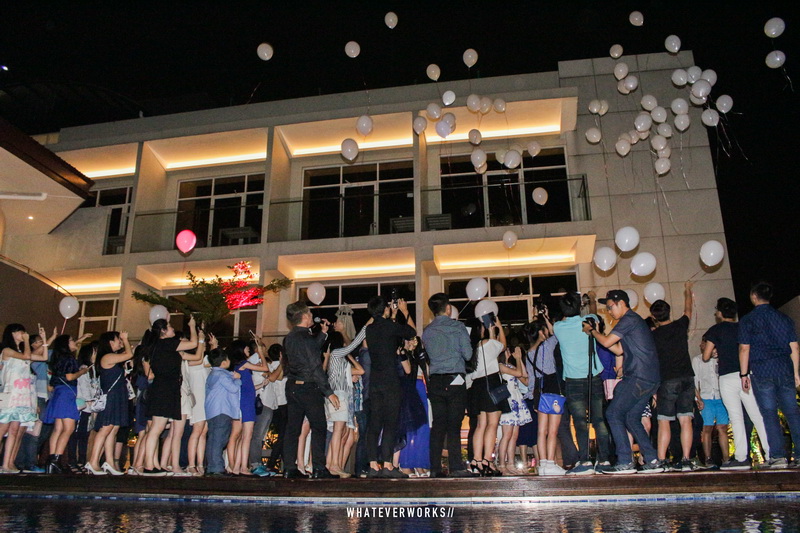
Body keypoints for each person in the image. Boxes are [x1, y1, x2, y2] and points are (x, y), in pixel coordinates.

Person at [585, 290, 664, 474]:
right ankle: (652, 459)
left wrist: (592, 331)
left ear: (621, 303)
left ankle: (625, 461)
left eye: (610, 307)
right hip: (649, 378)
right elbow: (619, 350)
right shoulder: (634, 321)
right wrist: (598, 334)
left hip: (638, 376)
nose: (609, 311)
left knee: (613, 413)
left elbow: (606, 343)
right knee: (631, 418)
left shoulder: (629, 319)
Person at [739, 281, 800, 469]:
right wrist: (796, 372)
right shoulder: (784, 319)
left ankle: (778, 457)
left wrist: (744, 374)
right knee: (792, 413)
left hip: (762, 370)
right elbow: (794, 347)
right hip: (784, 369)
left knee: (769, 414)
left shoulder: (748, 320)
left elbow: (744, 348)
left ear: (753, 296)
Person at [703, 297, 769, 470]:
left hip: (727, 378)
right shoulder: (743, 326)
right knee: (756, 415)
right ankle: (771, 454)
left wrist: (717, 351)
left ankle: (741, 458)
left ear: (719, 313)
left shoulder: (715, 330)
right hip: (746, 374)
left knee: (736, 417)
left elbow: (706, 356)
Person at [553, 292, 611, 474]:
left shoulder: (558, 327)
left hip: (573, 381)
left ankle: (585, 461)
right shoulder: (590, 321)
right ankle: (605, 460)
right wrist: (590, 301)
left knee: (579, 423)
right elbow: (594, 312)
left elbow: (565, 316)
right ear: (579, 306)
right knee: (599, 421)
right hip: (593, 378)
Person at [282, 301, 340, 479]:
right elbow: (315, 366)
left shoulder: (289, 337)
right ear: (305, 316)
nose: (311, 315)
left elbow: (308, 351)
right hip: (308, 387)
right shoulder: (306, 338)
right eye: (309, 313)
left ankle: (289, 467)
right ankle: (319, 468)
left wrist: (322, 334)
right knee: (319, 426)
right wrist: (328, 392)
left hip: (293, 385)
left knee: (293, 428)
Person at [421, 293, 474, 478]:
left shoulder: (427, 331)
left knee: (438, 425)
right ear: (448, 309)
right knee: (454, 425)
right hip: (455, 379)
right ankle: (456, 467)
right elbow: (468, 355)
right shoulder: (458, 327)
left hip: (436, 380)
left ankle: (435, 468)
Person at [364, 295, 417, 478]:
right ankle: (387, 464)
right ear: (385, 309)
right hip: (390, 381)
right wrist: (403, 312)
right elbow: (411, 332)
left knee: (374, 422)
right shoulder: (390, 326)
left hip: (375, 381)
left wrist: (390, 316)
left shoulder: (369, 329)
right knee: (390, 422)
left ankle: (372, 464)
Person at [139, 316, 199, 476]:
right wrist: (192, 326)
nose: (173, 328)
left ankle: (152, 464)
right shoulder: (167, 343)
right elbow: (193, 344)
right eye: (170, 326)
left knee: (156, 429)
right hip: (165, 389)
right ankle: (149, 466)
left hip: (163, 388)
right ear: (163, 331)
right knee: (156, 429)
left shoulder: (157, 345)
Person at [649, 281, 698, 471]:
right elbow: (688, 310)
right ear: (669, 312)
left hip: (667, 380)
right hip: (687, 377)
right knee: (686, 420)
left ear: (654, 317)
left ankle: (662, 460)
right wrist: (687, 290)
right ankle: (686, 459)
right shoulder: (680, 325)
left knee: (664, 420)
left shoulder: (654, 336)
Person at [41, 335, 92, 473]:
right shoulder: (69, 358)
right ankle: (56, 459)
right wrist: (82, 371)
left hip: (58, 393)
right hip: (67, 394)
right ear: (66, 344)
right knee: (69, 428)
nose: (74, 342)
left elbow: (53, 382)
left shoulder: (57, 358)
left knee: (58, 429)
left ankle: (51, 460)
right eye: (72, 340)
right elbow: (70, 376)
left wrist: (80, 339)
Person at [466, 315, 509, 476]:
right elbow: (502, 346)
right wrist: (498, 327)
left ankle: (476, 460)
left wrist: (491, 333)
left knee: (480, 425)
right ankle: (487, 460)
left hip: (477, 386)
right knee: (492, 424)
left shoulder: (470, 348)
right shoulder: (487, 343)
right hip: (491, 383)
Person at [85, 330, 133, 475]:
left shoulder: (112, 358)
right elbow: (129, 355)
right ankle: (93, 461)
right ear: (110, 342)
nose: (120, 341)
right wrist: (126, 340)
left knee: (113, 430)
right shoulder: (107, 357)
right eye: (118, 339)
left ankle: (109, 462)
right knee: (106, 429)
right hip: (111, 397)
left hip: (117, 396)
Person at [0, 324, 44, 474]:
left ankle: (7, 464)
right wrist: (26, 341)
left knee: (14, 430)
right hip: (10, 394)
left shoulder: (20, 351)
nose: (24, 334)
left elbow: (42, 357)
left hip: (22, 396)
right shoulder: (7, 350)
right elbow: (26, 356)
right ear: (12, 333)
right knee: (3, 429)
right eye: (21, 332)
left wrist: (45, 340)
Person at [226, 339, 271, 476]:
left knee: (242, 436)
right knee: (247, 435)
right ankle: (242, 467)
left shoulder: (237, 365)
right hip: (246, 403)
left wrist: (261, 385)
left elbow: (247, 387)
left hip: (244, 400)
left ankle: (237, 466)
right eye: (246, 348)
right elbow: (265, 368)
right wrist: (261, 352)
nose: (248, 350)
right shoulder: (243, 364)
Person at [526, 319, 564, 476]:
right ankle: (550, 463)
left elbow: (531, 379)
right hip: (553, 387)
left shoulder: (529, 353)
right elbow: (557, 333)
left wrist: (532, 395)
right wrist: (547, 319)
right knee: (553, 431)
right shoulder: (548, 345)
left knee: (541, 431)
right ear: (541, 332)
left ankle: (542, 465)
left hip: (538, 392)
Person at [692, 337, 729, 469]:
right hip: (706, 397)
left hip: (721, 397)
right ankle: (708, 458)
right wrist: (698, 399)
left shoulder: (719, 359)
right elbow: (694, 381)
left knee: (722, 428)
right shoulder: (697, 360)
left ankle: (726, 458)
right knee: (707, 428)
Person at [204, 348, 242, 476]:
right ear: (224, 362)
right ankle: (217, 467)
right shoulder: (222, 375)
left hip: (212, 411)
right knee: (220, 440)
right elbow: (233, 388)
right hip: (222, 410)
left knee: (213, 439)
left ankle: (211, 466)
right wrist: (238, 379)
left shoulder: (212, 374)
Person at [498, 346, 532, 475]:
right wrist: (517, 359)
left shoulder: (510, 366)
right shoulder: (500, 366)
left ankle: (511, 463)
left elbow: (524, 375)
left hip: (516, 398)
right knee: (507, 435)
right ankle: (502, 464)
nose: (509, 352)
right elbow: (518, 373)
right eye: (507, 350)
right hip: (508, 399)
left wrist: (519, 359)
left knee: (514, 435)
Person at [264, 344, 287, 475]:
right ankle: (272, 463)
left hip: (274, 405)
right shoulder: (280, 366)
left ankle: (286, 464)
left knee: (283, 436)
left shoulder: (269, 366)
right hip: (283, 404)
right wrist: (283, 362)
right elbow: (279, 377)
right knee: (283, 436)